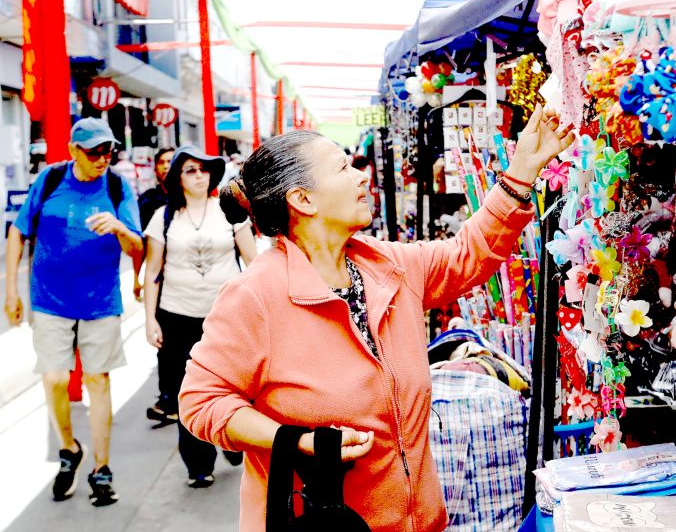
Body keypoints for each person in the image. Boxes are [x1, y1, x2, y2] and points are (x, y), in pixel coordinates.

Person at [178, 104, 575, 532]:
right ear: (302, 200)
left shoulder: (386, 265)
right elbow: (202, 403)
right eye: (343, 168)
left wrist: (519, 176)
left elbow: (467, 256)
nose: (361, 176)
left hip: (419, 521)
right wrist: (298, 442)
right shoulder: (254, 296)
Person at [4, 117, 143, 507]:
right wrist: (11, 291)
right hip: (49, 298)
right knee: (53, 380)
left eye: (108, 150)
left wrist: (119, 227)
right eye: (94, 151)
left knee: (98, 381)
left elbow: (138, 249)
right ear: (73, 151)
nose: (103, 158)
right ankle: (69, 448)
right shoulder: (50, 180)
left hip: (100, 301)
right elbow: (18, 230)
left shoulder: (117, 186)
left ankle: (102, 468)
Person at [142, 145, 257, 488]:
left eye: (204, 169)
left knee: (236, 384)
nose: (199, 175)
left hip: (226, 316)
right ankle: (198, 464)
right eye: (190, 170)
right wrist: (150, 320)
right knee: (186, 391)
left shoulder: (228, 212)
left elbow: (254, 261)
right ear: (177, 177)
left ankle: (233, 438)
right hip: (177, 315)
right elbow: (152, 273)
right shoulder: (163, 217)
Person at [134, 147, 175, 424]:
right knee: (165, 342)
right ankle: (167, 398)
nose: (165, 166)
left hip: (194, 282)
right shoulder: (148, 200)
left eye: (171, 161)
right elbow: (141, 245)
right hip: (160, 280)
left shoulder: (198, 199)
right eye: (161, 162)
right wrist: (138, 279)